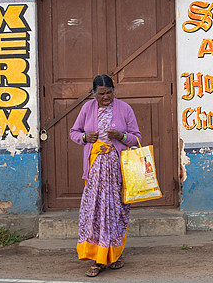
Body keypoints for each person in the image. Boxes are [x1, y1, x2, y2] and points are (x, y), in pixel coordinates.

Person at [70, 74, 141, 278]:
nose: (106, 97)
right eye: (101, 94)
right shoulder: (87, 108)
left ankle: (114, 255)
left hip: (117, 171)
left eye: (109, 92)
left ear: (114, 91)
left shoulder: (125, 109)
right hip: (95, 172)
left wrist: (121, 136)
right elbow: (74, 132)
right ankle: (97, 258)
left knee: (114, 212)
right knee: (95, 212)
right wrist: (85, 137)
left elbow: (137, 138)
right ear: (93, 94)